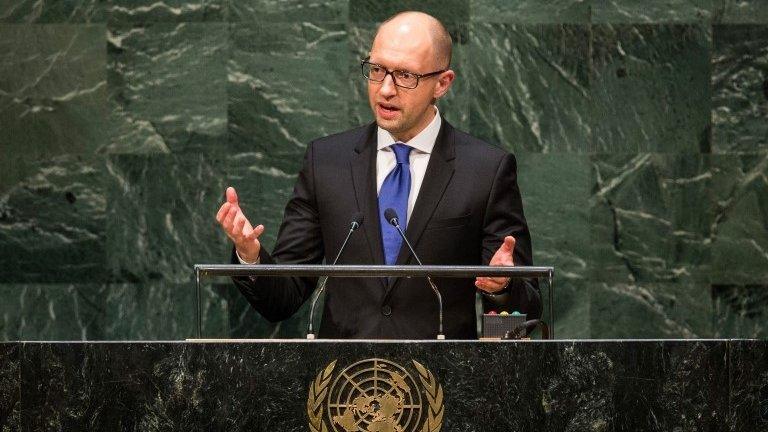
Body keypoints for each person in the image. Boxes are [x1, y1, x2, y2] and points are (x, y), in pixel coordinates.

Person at [215, 11, 540, 339]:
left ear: (442, 83)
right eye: (377, 70)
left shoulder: (485, 169)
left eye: (404, 76)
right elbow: (283, 298)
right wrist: (250, 255)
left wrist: (502, 286)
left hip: (442, 379)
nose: (385, 89)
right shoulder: (326, 162)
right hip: (342, 381)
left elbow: (528, 305)